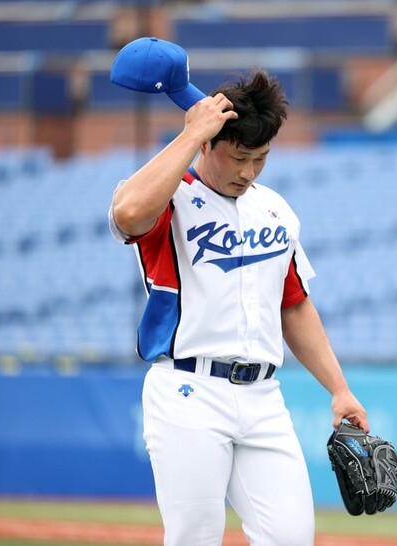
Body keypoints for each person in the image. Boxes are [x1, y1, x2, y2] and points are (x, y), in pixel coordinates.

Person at [108, 70, 369, 545]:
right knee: (195, 537)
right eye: (239, 156)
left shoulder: (273, 209)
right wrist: (192, 130)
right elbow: (127, 214)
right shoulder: (172, 196)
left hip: (263, 397)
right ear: (208, 145)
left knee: (291, 536)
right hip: (188, 390)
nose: (249, 171)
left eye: (261, 158)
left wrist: (339, 388)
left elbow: (293, 305)